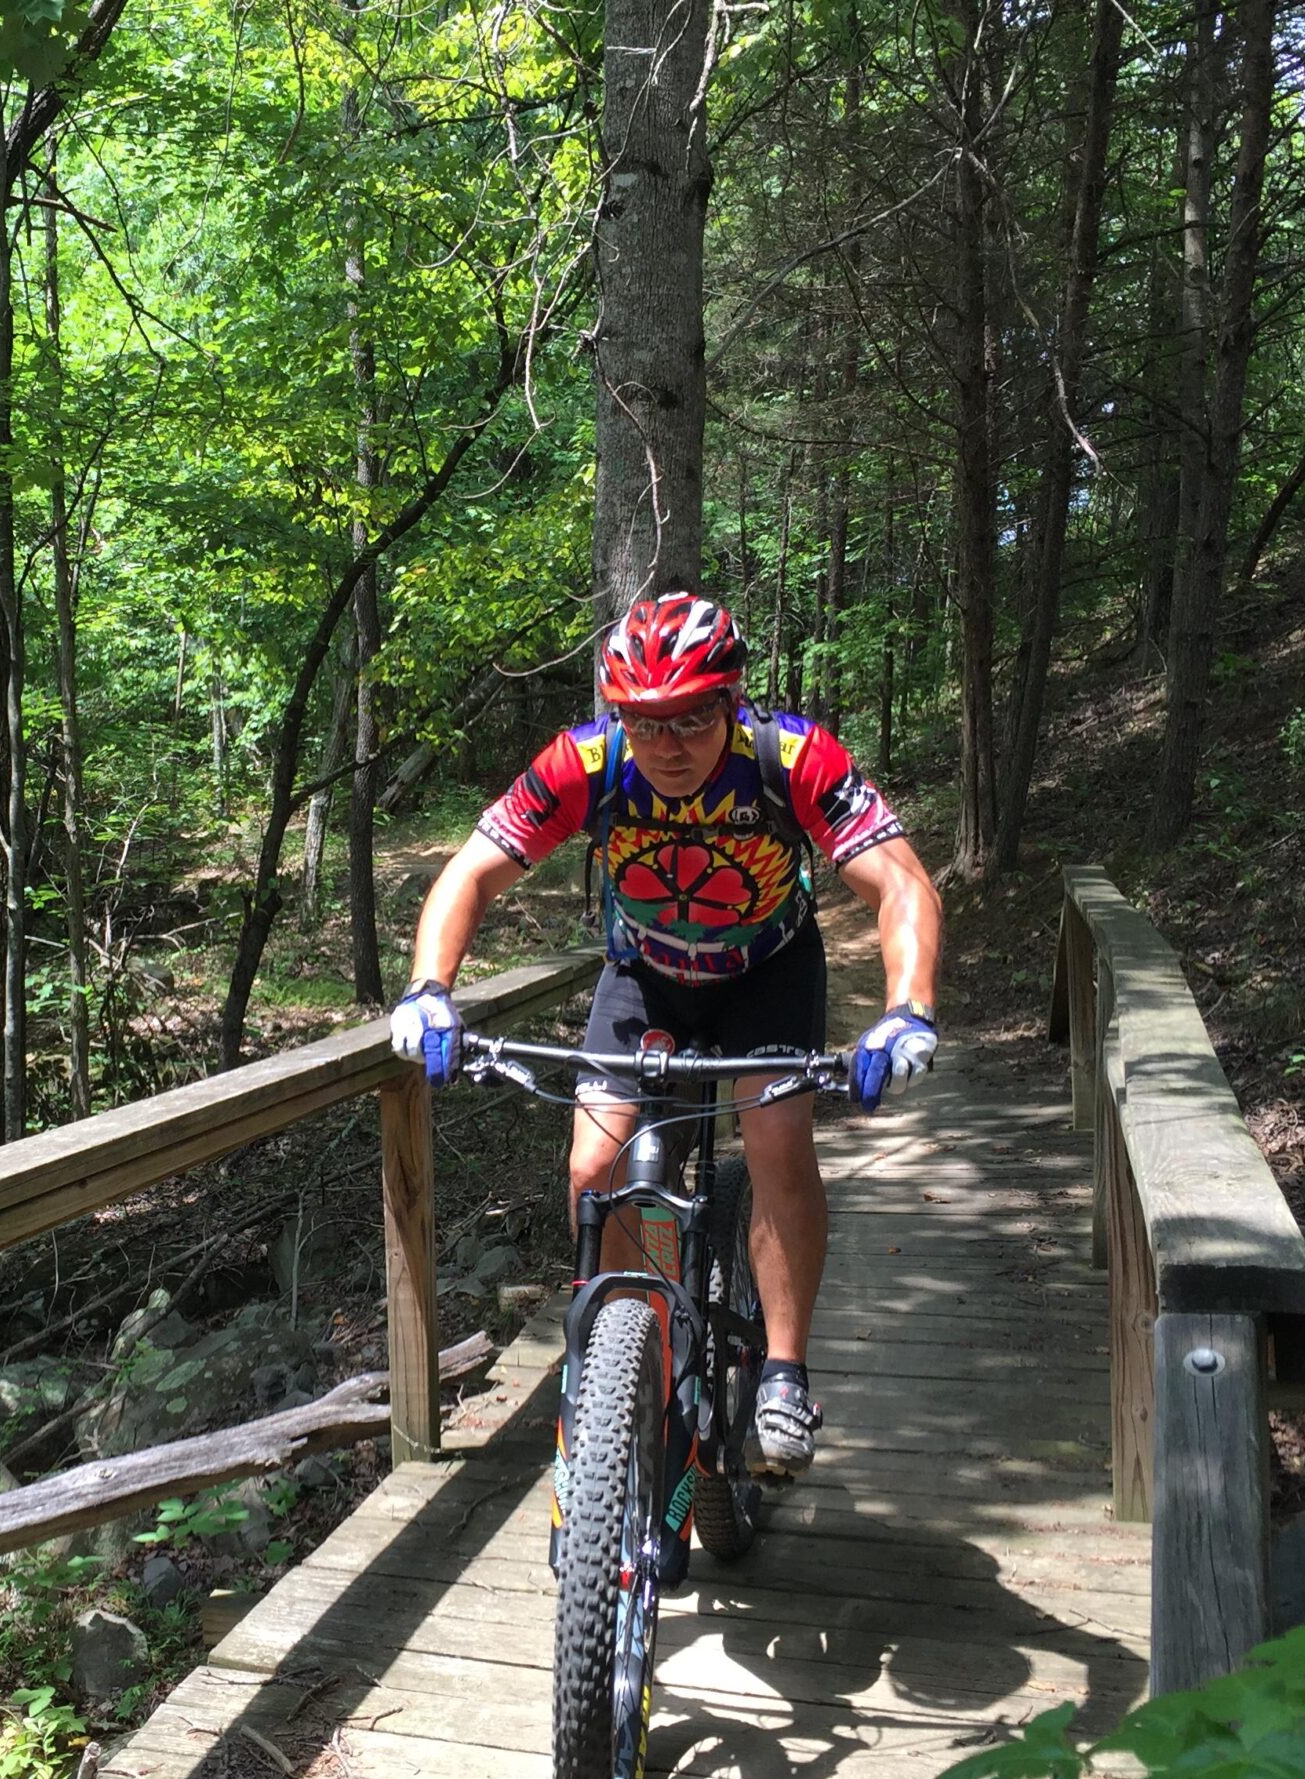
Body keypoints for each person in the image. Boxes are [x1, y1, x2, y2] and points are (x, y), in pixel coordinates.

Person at [389, 592, 943, 1474]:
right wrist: (429, 990)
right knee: (593, 1166)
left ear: (732, 701)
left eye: (691, 719)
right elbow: (471, 873)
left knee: (775, 1137)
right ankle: (634, 1360)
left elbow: (902, 883)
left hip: (768, 972)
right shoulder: (587, 763)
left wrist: (907, 1007)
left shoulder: (792, 757)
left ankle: (784, 1371)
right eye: (643, 722)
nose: (666, 744)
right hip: (645, 974)